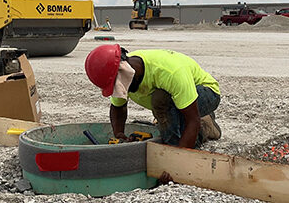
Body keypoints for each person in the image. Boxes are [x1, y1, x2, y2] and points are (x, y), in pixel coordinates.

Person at [85, 44, 221, 149]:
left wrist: (175, 159)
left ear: (123, 70)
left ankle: (206, 127)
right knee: (167, 119)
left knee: (163, 104)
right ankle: (186, 120)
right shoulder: (124, 74)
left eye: (115, 86)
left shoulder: (169, 72)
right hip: (177, 99)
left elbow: (192, 120)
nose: (117, 91)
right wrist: (119, 134)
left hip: (207, 92)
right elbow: (118, 108)